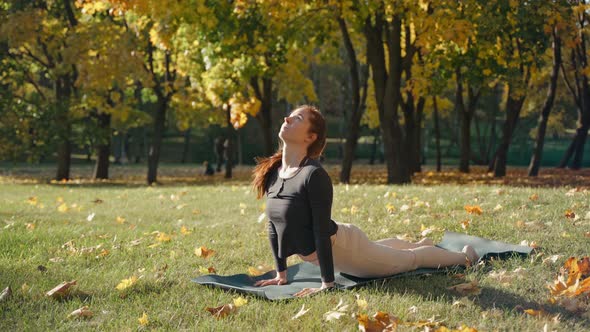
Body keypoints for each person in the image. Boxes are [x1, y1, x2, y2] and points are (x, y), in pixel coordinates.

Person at [251, 105, 479, 297]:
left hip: (348, 252)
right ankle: (424, 243)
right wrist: (281, 274)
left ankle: (465, 257)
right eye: (290, 115)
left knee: (411, 261)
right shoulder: (275, 172)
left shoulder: (313, 174)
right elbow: (274, 226)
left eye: (297, 118)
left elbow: (320, 231)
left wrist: (326, 285)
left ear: (310, 137)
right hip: (342, 243)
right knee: (379, 249)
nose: (287, 118)